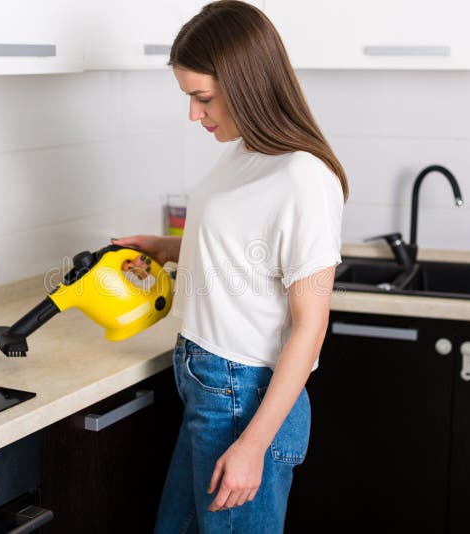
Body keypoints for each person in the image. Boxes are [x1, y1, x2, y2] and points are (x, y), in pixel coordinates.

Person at [111, 1, 348, 532]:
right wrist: (166, 248)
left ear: (246, 83)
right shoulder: (245, 152)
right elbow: (242, 246)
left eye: (202, 98)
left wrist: (252, 446)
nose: (194, 115)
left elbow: (311, 329)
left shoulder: (303, 178)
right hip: (209, 383)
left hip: (244, 398)